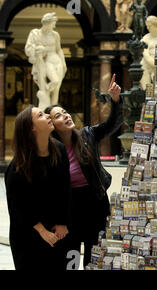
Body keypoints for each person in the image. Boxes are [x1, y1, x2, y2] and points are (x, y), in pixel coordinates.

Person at [45, 74, 123, 268]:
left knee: (94, 256)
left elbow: (112, 124)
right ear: (52, 124)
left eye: (65, 112)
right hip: (70, 207)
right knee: (71, 256)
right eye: (58, 116)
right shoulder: (51, 149)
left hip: (95, 202)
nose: (66, 115)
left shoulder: (88, 134)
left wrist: (115, 100)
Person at [5, 105, 71, 270]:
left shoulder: (60, 150)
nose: (48, 116)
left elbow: (65, 189)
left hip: (57, 231)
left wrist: (62, 222)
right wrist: (42, 231)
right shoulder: (17, 167)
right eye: (41, 115)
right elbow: (18, 206)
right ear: (32, 128)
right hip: (28, 234)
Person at [25, 12, 67, 109]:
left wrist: (63, 63)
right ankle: (46, 105)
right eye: (53, 23)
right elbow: (29, 48)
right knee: (54, 81)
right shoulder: (36, 34)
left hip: (57, 61)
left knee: (56, 89)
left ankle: (54, 110)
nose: (54, 25)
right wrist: (37, 49)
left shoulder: (55, 35)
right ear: (47, 23)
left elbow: (59, 49)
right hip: (46, 61)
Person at [140, 16, 157, 89]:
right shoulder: (145, 38)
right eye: (147, 26)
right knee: (143, 67)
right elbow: (145, 54)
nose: (148, 28)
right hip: (148, 63)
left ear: (155, 25)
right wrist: (153, 63)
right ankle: (146, 91)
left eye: (149, 26)